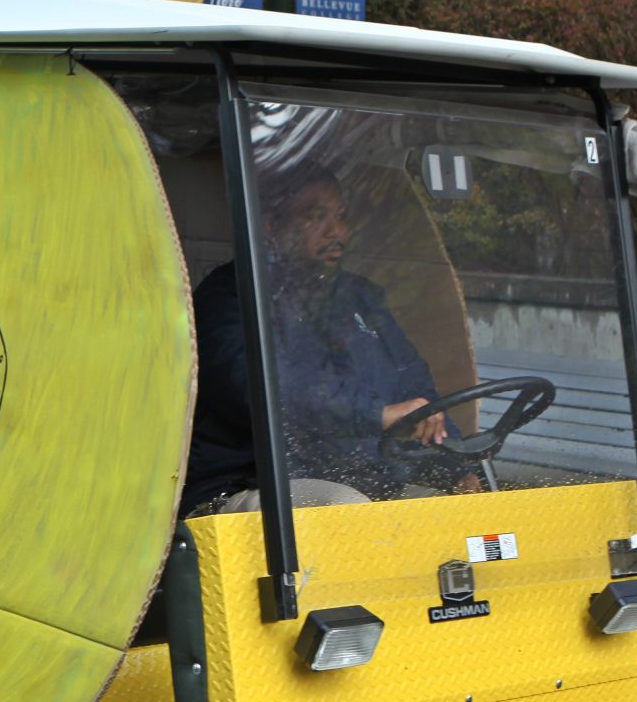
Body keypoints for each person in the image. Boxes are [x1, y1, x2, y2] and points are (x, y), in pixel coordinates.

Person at [183, 162, 460, 513]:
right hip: (248, 484)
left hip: (358, 478)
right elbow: (264, 392)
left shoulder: (360, 298)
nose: (336, 232)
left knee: (451, 511)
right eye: (315, 217)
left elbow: (416, 388)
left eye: (341, 217)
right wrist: (376, 414)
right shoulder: (231, 297)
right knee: (345, 510)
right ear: (271, 226)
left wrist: (460, 466)